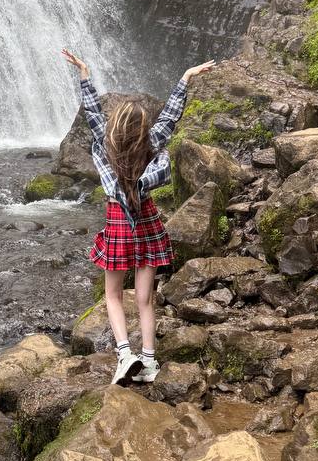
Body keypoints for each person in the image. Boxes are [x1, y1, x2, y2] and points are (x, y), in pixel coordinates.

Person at [62, 48, 216, 386]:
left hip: (119, 228)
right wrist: (186, 77)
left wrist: (84, 74)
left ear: (115, 125)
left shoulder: (106, 146)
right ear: (143, 127)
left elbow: (92, 113)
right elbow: (170, 116)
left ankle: (124, 354)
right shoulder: (152, 143)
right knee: (145, 299)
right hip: (147, 226)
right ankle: (149, 361)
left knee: (113, 296)